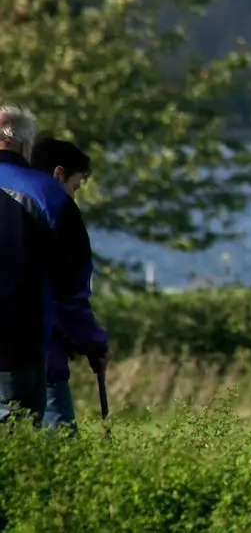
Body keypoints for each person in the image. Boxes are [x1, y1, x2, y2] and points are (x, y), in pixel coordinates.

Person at [30, 137, 109, 431]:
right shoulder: (58, 209)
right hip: (43, 353)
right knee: (58, 439)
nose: (73, 196)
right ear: (58, 173)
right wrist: (95, 342)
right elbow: (69, 296)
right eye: (74, 186)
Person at [0, 106, 65, 424]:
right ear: (21, 143)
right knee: (21, 437)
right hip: (21, 341)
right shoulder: (43, 191)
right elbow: (72, 271)